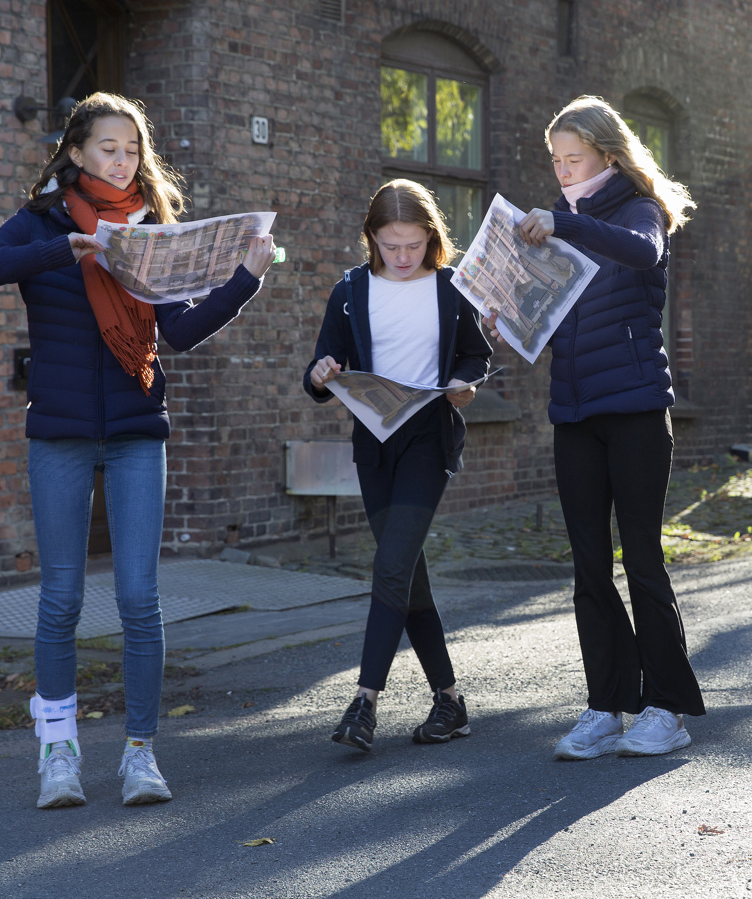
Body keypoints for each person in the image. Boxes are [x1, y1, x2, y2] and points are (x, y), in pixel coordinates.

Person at [0, 92, 275, 807]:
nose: (122, 162)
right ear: (76, 152)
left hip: (134, 431)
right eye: (108, 149)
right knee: (58, 600)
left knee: (138, 599)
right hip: (58, 430)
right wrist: (64, 248)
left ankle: (140, 754)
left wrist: (244, 279)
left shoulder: (154, 231)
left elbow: (178, 334)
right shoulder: (42, 222)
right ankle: (58, 753)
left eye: (131, 150)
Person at [488, 95, 704, 759]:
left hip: (637, 408)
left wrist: (564, 226)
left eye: (573, 159)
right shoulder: (562, 224)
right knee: (587, 567)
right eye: (555, 160)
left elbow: (641, 253)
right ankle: (606, 705)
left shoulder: (639, 211)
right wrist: (514, 320)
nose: (562, 171)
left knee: (641, 558)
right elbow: (565, 325)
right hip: (574, 412)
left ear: (607, 156)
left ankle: (666, 707)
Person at [304, 178, 491, 753]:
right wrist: (321, 374)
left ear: (431, 237)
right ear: (372, 239)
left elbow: (475, 355)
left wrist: (465, 385)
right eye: (391, 245)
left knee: (390, 568)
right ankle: (451, 702)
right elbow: (321, 363)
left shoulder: (452, 288)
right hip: (374, 445)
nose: (403, 257)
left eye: (413, 245)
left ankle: (364, 703)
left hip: (428, 442)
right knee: (406, 574)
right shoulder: (350, 290)